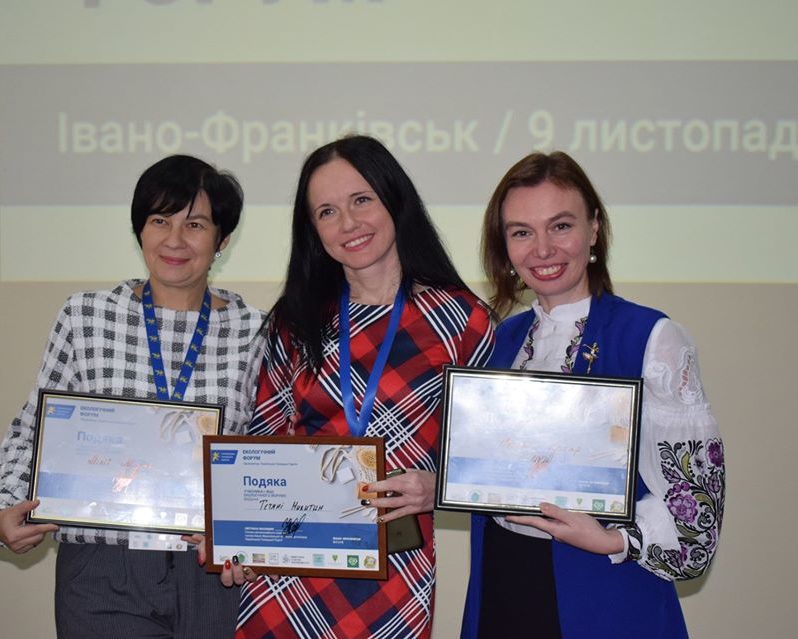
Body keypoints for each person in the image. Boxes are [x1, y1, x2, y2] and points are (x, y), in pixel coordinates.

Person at [226, 135, 494, 639]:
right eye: (327, 212)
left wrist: (437, 488)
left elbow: (492, 460)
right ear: (313, 230)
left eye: (361, 200)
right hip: (289, 570)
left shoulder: (463, 321)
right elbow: (263, 444)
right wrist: (236, 538)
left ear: (394, 200)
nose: (348, 223)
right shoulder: (295, 319)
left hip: (395, 570)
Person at [0, 155, 267, 638]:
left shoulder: (256, 332)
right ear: (139, 230)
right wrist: (4, 505)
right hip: (104, 570)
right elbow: (35, 428)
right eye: (160, 220)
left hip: (211, 569)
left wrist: (252, 538)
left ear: (222, 240)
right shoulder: (86, 316)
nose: (174, 239)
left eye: (195, 224)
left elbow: (268, 450)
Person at [460, 151, 725, 638]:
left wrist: (611, 539)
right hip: (504, 582)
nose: (542, 249)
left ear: (594, 229)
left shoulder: (652, 338)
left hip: (606, 590)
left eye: (561, 226)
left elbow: (696, 521)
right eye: (521, 232)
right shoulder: (499, 341)